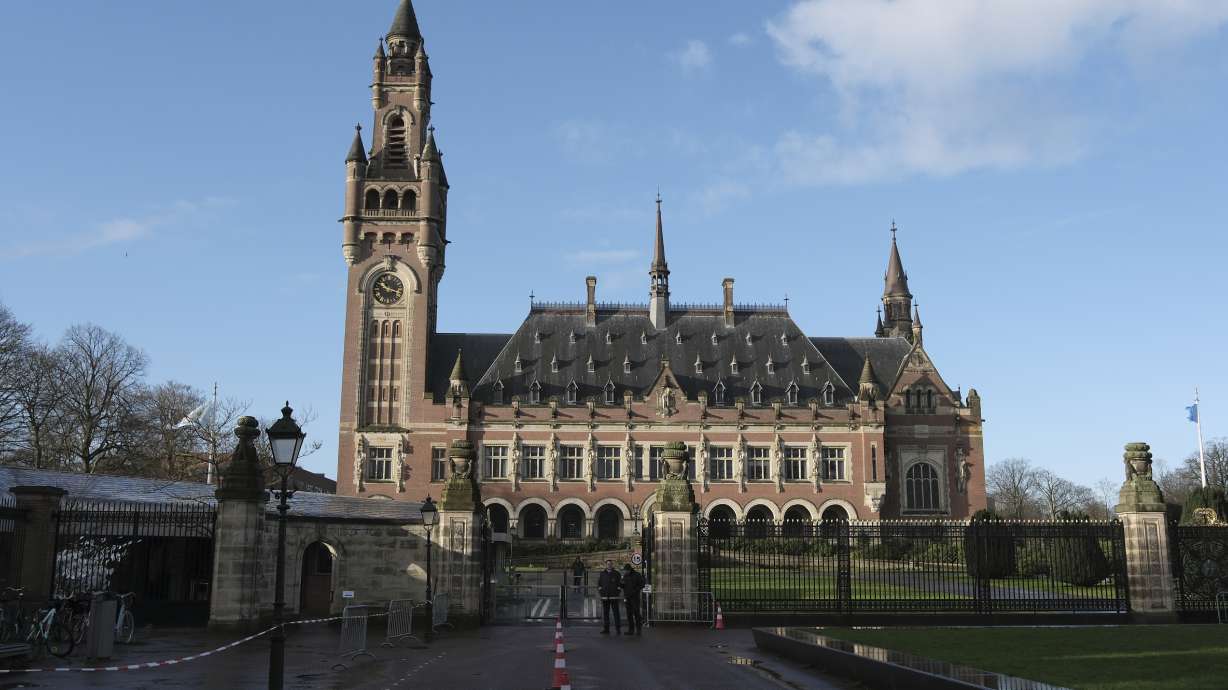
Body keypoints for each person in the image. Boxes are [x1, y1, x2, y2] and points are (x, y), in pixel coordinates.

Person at [597, 559, 622, 634]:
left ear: (612, 565)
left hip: (614, 597)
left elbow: (620, 585)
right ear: (606, 565)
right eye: (608, 564)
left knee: (616, 613)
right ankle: (606, 629)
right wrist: (601, 593)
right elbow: (599, 584)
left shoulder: (617, 573)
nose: (609, 565)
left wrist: (617, 592)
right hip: (605, 597)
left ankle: (618, 629)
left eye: (610, 564)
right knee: (606, 613)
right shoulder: (602, 574)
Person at [620, 563, 645, 635]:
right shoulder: (625, 576)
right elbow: (622, 585)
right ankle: (631, 630)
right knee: (629, 614)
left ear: (629, 570)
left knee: (636, 613)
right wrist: (621, 583)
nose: (625, 572)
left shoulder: (637, 575)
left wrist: (635, 590)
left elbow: (642, 584)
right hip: (627, 597)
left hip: (634, 597)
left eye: (626, 570)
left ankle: (638, 630)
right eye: (624, 571)